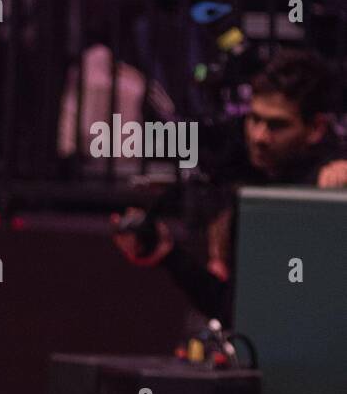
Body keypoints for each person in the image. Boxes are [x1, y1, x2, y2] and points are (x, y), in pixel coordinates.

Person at [112, 49, 347, 324]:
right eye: (255, 119)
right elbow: (235, 311)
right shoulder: (244, 170)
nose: (259, 136)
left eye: (277, 125)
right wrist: (168, 255)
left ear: (316, 128)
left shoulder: (332, 181)